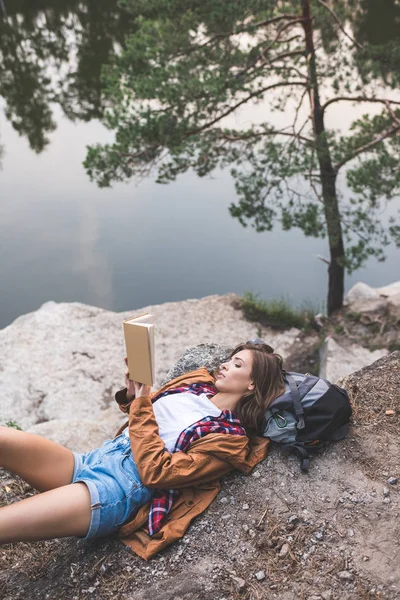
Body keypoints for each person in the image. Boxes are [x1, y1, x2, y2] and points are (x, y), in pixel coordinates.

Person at [0, 340, 285, 559]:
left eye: (237, 365)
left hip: (118, 489)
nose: (224, 365)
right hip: (98, 458)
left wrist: (141, 403)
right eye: (229, 359)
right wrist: (133, 394)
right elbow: (144, 414)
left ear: (251, 385)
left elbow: (156, 472)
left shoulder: (229, 439)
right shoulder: (196, 386)